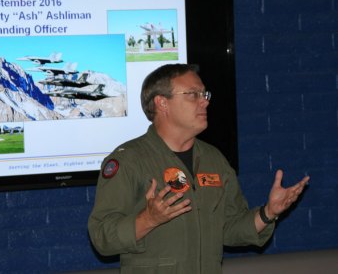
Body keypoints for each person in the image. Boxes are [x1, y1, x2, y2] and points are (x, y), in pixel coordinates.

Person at [88, 63, 310, 274]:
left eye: (204, 95)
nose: (204, 102)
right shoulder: (129, 161)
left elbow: (229, 229)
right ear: (162, 103)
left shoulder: (214, 160)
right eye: (193, 94)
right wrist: (149, 219)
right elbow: (101, 238)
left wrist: (268, 213)